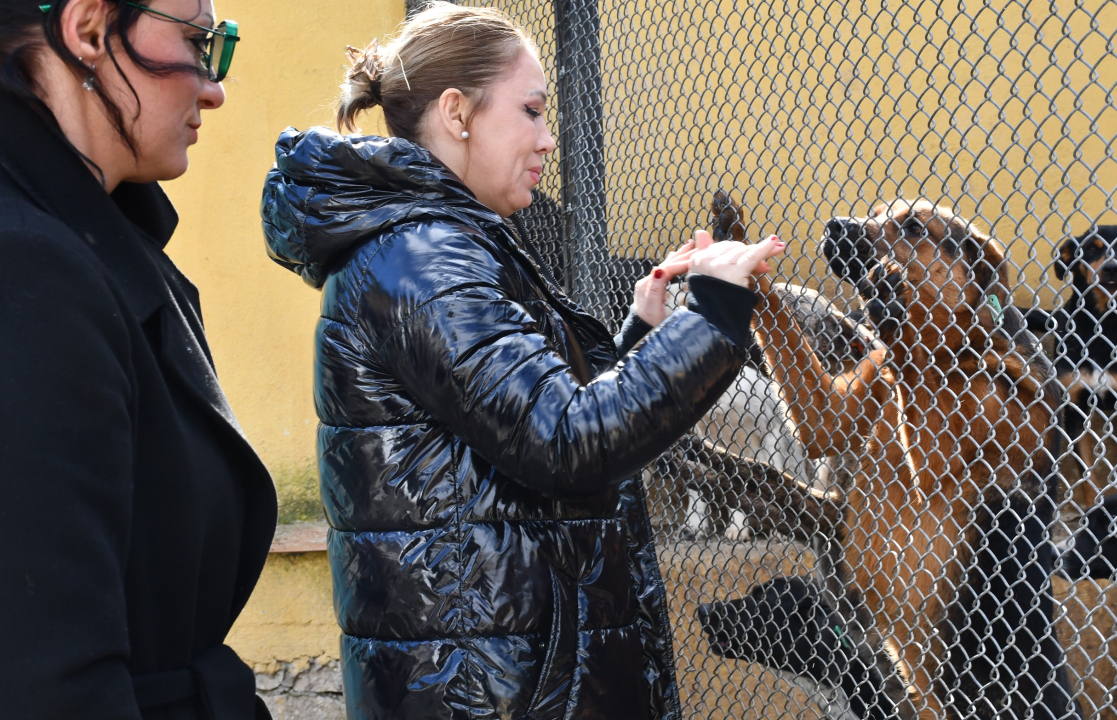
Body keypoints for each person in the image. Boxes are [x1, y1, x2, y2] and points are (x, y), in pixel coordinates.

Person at [261, 4, 784, 718]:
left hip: (498, 673)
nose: (547, 141)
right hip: (490, 688)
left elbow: (521, 437)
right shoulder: (426, 261)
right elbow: (568, 442)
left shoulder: (437, 247)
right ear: (457, 113)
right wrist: (717, 312)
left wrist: (640, 340)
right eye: (531, 111)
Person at [0, 1, 276, 718]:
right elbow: (49, 686)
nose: (213, 86)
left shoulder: (91, 239)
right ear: (89, 30)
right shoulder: (28, 269)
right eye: (196, 41)